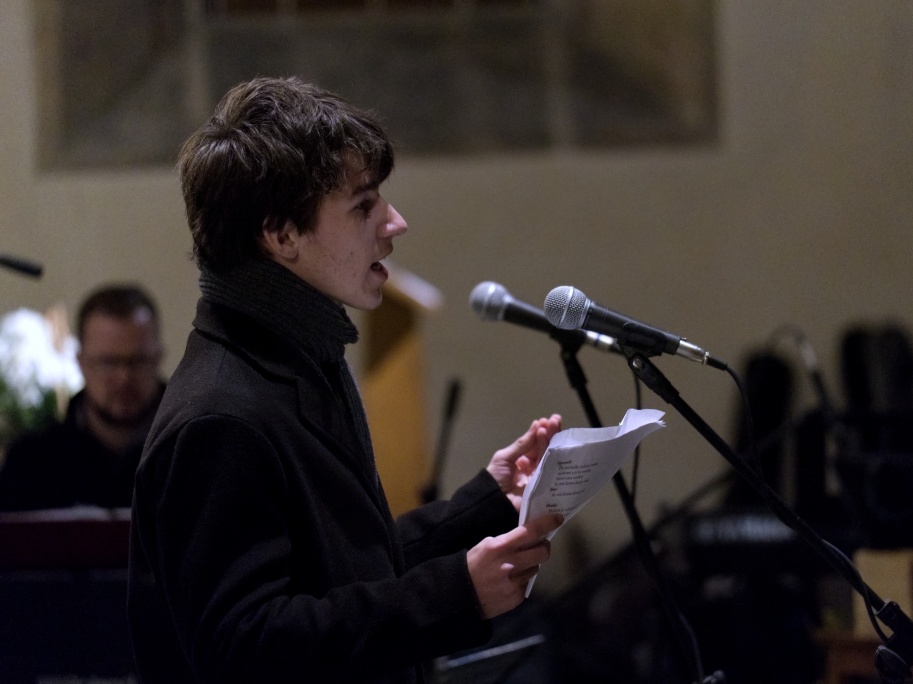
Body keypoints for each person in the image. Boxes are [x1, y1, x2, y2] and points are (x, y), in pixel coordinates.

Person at [127, 75, 564, 683]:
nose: (394, 222)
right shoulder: (221, 416)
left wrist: (484, 503)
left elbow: (343, 567)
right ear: (282, 235)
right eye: (363, 205)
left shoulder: (296, 358)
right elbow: (243, 646)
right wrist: (454, 594)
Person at [0, 284, 164, 511]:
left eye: (137, 361)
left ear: (158, 358)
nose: (123, 378)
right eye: (108, 362)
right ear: (81, 362)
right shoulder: (30, 463)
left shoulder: (194, 454)